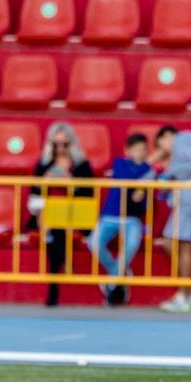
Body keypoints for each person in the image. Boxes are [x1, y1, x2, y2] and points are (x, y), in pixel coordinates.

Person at [29, 122, 95, 307]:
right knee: (53, 228)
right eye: (55, 144)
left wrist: (70, 183)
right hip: (49, 214)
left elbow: (89, 195)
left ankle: (54, 287)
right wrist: (44, 183)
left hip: (76, 214)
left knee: (54, 231)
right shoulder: (44, 165)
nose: (60, 149)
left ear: (72, 144)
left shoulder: (81, 166)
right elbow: (33, 196)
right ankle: (62, 267)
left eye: (64, 144)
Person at [88, 133, 155, 306]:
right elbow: (128, 179)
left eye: (143, 150)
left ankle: (112, 283)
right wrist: (145, 176)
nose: (140, 153)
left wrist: (144, 184)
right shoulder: (121, 163)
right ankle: (120, 274)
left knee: (131, 245)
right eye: (136, 149)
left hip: (133, 217)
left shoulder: (151, 171)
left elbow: (138, 197)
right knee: (93, 242)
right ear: (128, 150)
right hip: (111, 214)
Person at [153, 125, 191, 313]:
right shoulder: (188, 142)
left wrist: (169, 173)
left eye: (160, 146)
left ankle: (185, 295)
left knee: (177, 244)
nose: (162, 151)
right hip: (188, 199)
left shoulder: (181, 140)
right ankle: (190, 292)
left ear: (166, 137)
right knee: (179, 245)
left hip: (188, 199)